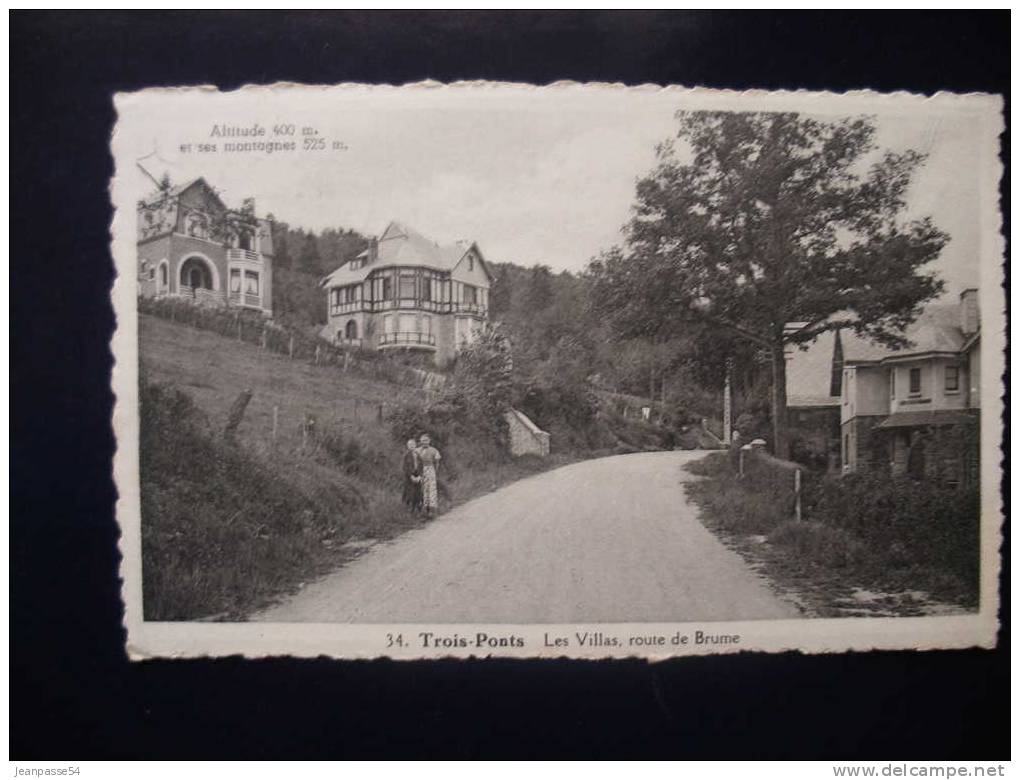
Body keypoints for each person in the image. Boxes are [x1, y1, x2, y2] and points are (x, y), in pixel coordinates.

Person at [417, 434, 442, 519]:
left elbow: (437, 462)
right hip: (421, 470)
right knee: (423, 488)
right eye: (423, 440)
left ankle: (432, 510)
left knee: (431, 489)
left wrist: (435, 471)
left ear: (429, 441)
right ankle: (424, 509)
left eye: (426, 440)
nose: (425, 442)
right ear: (420, 441)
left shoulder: (433, 450)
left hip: (430, 469)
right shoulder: (417, 450)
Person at [401, 438, 422, 514]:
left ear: (416, 445)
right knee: (410, 493)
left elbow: (421, 466)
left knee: (419, 492)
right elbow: (405, 467)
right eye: (410, 445)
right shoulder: (406, 455)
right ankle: (410, 509)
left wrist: (420, 476)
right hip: (409, 477)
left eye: (413, 444)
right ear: (407, 446)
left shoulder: (418, 455)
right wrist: (411, 476)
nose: (411, 446)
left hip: (418, 475)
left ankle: (419, 508)